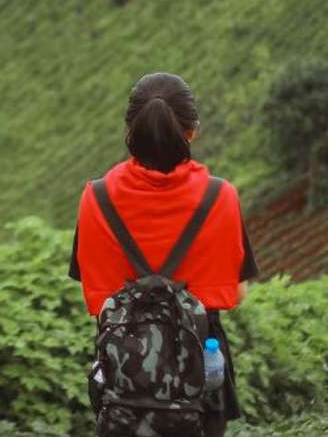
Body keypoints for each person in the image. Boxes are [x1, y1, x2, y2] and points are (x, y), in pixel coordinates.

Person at [69, 72, 258, 437]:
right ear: (192, 131)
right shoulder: (220, 198)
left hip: (125, 379)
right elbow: (236, 293)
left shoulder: (97, 198)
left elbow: (95, 295)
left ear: (130, 132)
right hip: (202, 376)